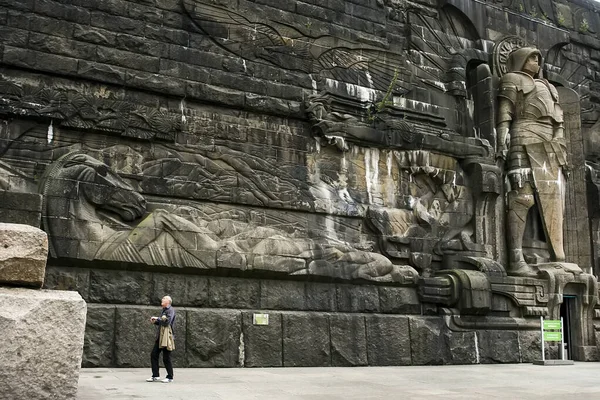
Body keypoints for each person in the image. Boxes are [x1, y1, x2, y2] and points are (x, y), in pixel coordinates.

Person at [496, 47, 568, 276]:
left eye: (538, 58)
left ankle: (555, 254)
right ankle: (516, 259)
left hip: (549, 143)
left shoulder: (549, 87)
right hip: (522, 135)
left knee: (553, 197)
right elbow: (505, 115)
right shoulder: (511, 79)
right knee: (522, 196)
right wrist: (501, 142)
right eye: (531, 57)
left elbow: (559, 122)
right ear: (520, 60)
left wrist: (559, 141)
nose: (536, 61)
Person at [146, 295, 176, 383]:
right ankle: (155, 375)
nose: (161, 300)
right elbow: (162, 322)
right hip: (160, 337)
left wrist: (157, 318)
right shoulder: (164, 310)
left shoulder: (170, 310)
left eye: (163, 299)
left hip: (167, 338)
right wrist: (155, 321)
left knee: (166, 358)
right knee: (154, 354)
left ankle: (170, 377)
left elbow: (167, 322)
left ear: (168, 302)